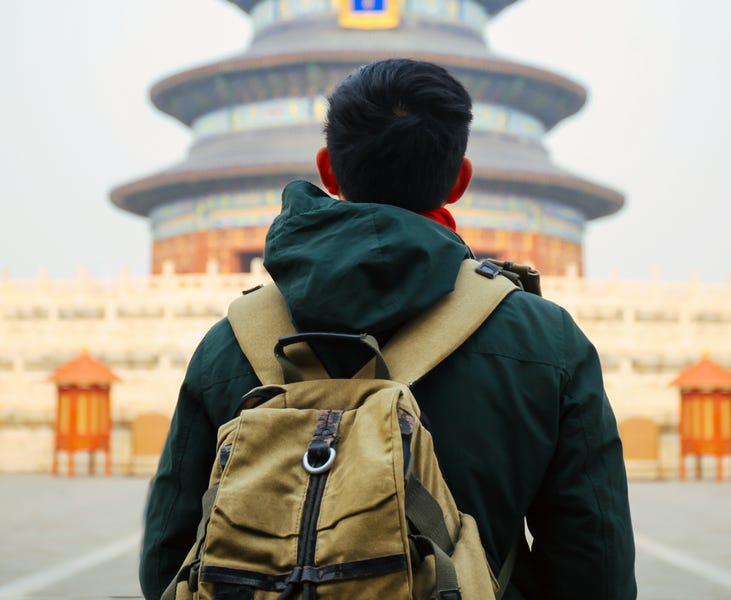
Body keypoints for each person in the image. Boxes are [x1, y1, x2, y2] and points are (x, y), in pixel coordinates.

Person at [140, 58, 637, 599]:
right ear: (458, 180)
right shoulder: (545, 340)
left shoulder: (231, 342)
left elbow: (169, 558)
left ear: (328, 170)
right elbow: (597, 566)